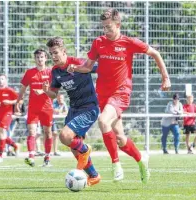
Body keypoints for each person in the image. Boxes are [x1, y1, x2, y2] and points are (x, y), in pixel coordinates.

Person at [67, 8, 171, 184]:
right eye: (103, 27)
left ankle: (116, 164)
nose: (105, 31)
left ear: (118, 25)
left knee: (103, 121)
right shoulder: (99, 43)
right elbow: (87, 66)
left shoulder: (129, 42)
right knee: (121, 139)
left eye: (109, 27)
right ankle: (141, 160)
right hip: (103, 96)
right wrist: (74, 68)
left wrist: (165, 77)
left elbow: (155, 53)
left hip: (121, 93)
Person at [44, 37, 100, 186]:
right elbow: (54, 94)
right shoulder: (55, 71)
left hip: (89, 108)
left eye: (56, 52)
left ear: (64, 51)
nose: (53, 56)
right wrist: (46, 91)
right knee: (74, 148)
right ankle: (94, 175)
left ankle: (86, 149)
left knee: (65, 136)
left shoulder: (79, 62)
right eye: (51, 54)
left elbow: (102, 68)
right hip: (74, 109)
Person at [16, 48, 54, 167]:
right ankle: (31, 156)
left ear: (46, 58)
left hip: (47, 107)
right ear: (35, 59)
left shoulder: (50, 73)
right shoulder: (29, 72)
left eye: (42, 57)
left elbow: (54, 90)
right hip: (33, 107)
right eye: (37, 57)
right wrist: (19, 100)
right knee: (32, 131)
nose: (39, 59)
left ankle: (47, 158)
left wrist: (43, 91)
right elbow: (23, 87)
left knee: (47, 132)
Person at [0, 74, 19, 163]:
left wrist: (9, 102)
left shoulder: (10, 90)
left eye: (2, 79)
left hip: (8, 114)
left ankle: (0, 155)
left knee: (2, 131)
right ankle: (15, 145)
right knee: (1, 135)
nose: (0, 80)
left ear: (5, 80)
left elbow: (19, 100)